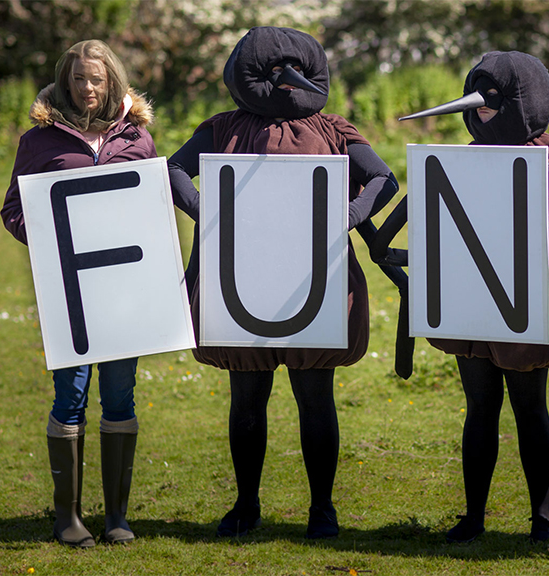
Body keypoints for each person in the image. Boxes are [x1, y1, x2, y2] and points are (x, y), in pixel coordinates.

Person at [166, 26, 398, 540]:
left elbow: (384, 178)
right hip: (240, 277)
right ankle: (246, 504)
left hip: (313, 278)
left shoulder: (333, 129)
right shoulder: (224, 128)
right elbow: (175, 169)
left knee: (315, 394)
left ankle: (322, 509)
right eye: (273, 71)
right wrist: (209, 210)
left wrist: (349, 215)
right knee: (247, 394)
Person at [373, 51, 549, 543]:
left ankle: (542, 519)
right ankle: (473, 516)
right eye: (476, 99)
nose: (480, 108)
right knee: (479, 406)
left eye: (492, 99)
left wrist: (529, 238)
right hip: (470, 297)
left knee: (530, 407)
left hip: (528, 297)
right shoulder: (462, 159)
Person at [1, 40, 195, 547]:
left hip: (124, 291)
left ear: (112, 82)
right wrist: (50, 239)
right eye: (78, 78)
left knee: (120, 394)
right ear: (65, 80)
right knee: (70, 394)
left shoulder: (138, 138)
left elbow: (153, 210)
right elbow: (13, 210)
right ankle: (67, 518)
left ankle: (116, 517)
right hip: (70, 292)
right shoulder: (39, 141)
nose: (87, 88)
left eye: (97, 79)